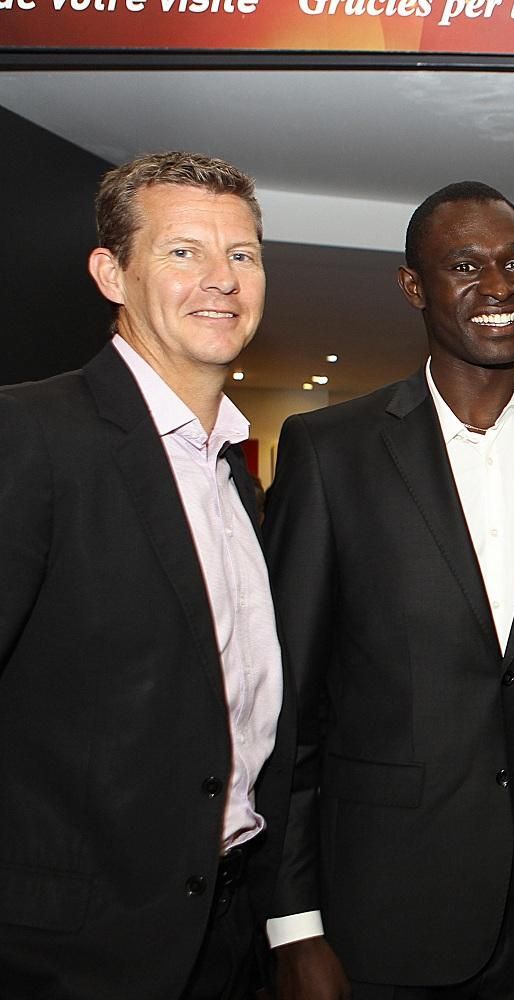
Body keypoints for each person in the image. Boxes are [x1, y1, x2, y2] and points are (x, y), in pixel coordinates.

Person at [263, 181, 514, 1000]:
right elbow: (290, 706)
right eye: (465, 265)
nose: (499, 286)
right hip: (385, 912)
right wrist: (294, 923)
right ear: (414, 287)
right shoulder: (330, 452)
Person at [0, 151, 287, 999]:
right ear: (111, 273)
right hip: (67, 953)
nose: (221, 280)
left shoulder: (236, 477)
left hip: (227, 932)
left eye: (242, 254)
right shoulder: (30, 437)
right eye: (182, 252)